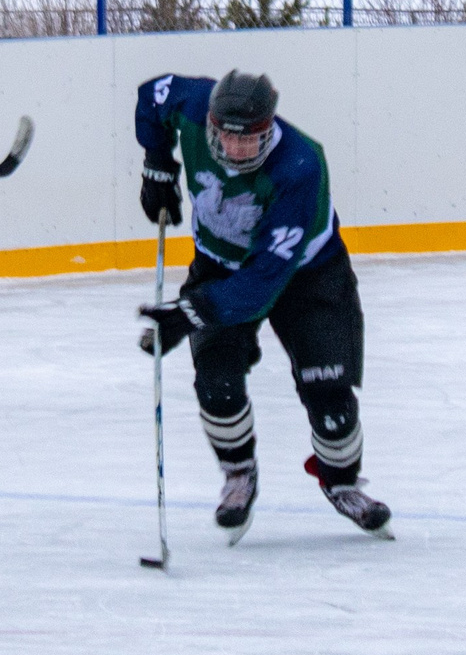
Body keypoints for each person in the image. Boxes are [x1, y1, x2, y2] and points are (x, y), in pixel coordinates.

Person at [135, 69, 391, 544]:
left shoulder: (300, 164)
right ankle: (239, 474)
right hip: (219, 265)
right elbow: (152, 96)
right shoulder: (193, 103)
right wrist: (157, 162)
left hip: (307, 276)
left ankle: (341, 482)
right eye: (225, 138)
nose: (235, 150)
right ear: (210, 123)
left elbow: (263, 281)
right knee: (216, 384)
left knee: (331, 397)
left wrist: (191, 312)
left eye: (248, 141)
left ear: (268, 130)